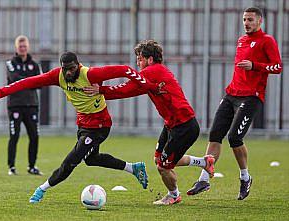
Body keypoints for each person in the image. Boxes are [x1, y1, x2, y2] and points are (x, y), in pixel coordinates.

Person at [0, 51, 158, 203]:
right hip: (83, 124)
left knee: (71, 161)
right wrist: (2, 92)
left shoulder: (91, 74)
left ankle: (42, 189)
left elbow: (124, 70)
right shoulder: (58, 76)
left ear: (78, 65)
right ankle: (133, 168)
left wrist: (149, 86)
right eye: (65, 69)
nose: (69, 72)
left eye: (72, 68)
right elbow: (29, 82)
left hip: (100, 125)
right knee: (91, 159)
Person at [83, 40, 215, 205]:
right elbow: (133, 89)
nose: (137, 63)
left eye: (140, 58)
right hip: (172, 124)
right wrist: (104, 91)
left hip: (184, 127)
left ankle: (173, 195)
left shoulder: (153, 71)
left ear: (150, 59)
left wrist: (101, 90)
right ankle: (204, 162)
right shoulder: (152, 74)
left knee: (163, 167)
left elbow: (127, 89)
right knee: (159, 159)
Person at [186, 7, 282, 200]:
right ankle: (204, 179)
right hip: (231, 94)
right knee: (214, 135)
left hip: (251, 97)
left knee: (234, 138)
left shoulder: (267, 40)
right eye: (245, 19)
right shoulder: (241, 40)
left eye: (250, 20)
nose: (246, 23)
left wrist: (255, 66)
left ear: (259, 22)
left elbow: (278, 67)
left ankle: (245, 177)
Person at [6, 35, 42, 176]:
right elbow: (14, 79)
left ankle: (32, 166)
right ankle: (11, 166)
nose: (23, 48)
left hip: (32, 105)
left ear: (28, 47)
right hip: (15, 105)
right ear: (16, 48)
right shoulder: (10, 63)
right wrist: (30, 80)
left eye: (25, 46)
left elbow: (40, 82)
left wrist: (25, 81)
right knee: (14, 136)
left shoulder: (35, 64)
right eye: (20, 46)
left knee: (34, 136)